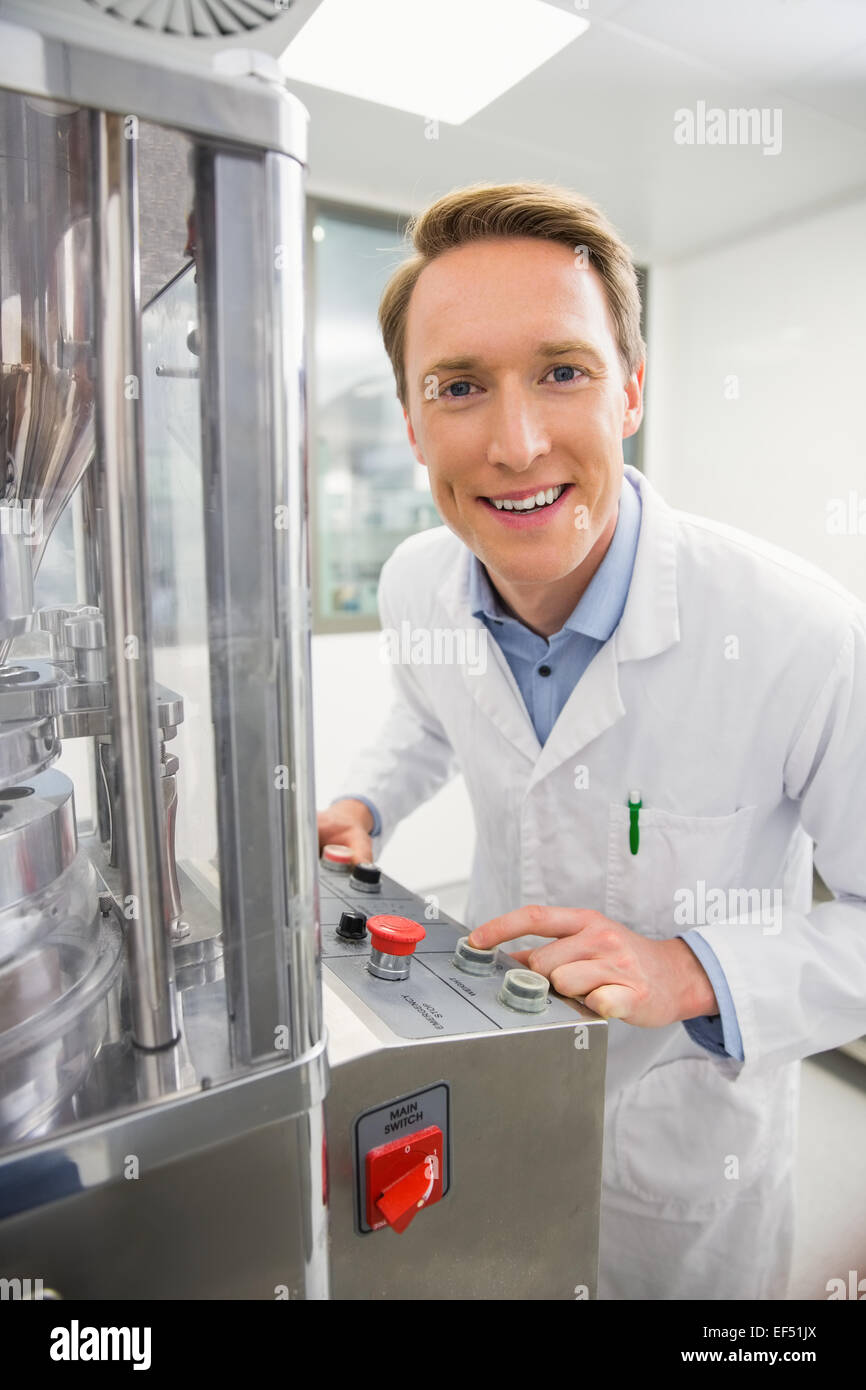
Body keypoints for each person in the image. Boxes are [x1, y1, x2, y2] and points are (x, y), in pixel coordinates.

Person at [317, 182, 866, 1300]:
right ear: (413, 421)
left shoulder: (798, 634)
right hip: (489, 1079)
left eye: (561, 371)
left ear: (630, 391)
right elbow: (427, 714)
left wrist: (689, 971)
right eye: (459, 386)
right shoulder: (416, 576)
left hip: (683, 1161)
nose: (514, 443)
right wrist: (368, 803)